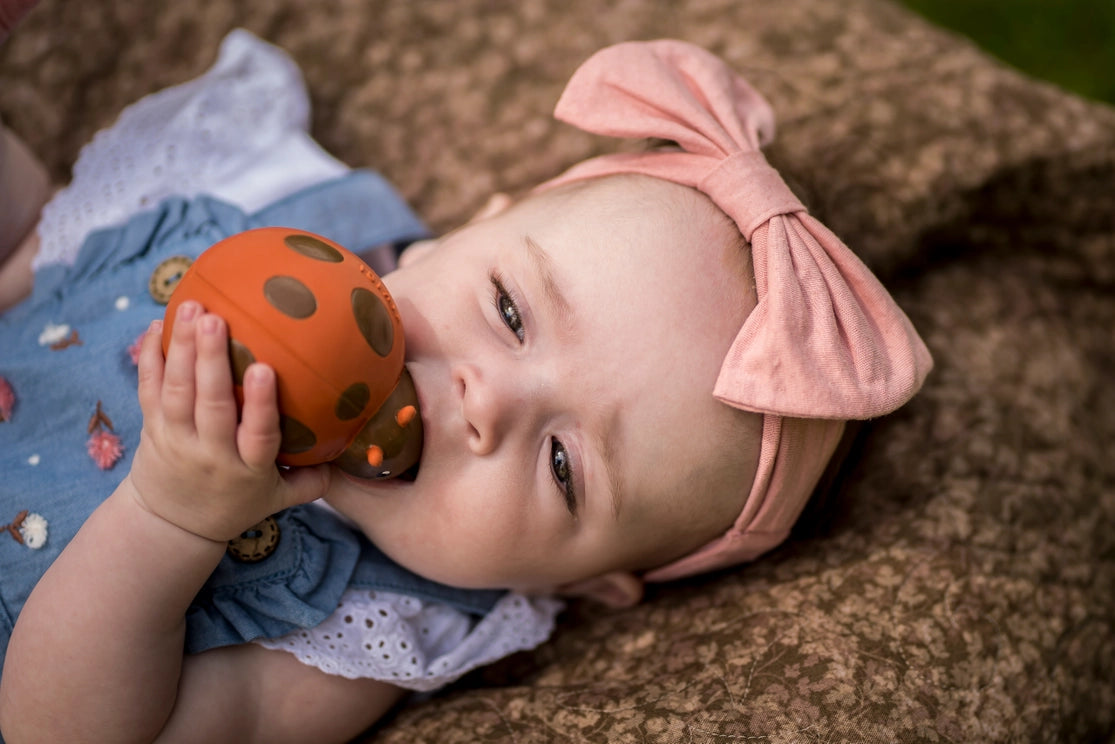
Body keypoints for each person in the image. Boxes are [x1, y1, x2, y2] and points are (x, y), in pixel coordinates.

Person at [0, 27, 931, 744]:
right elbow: (60, 246)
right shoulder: (290, 201)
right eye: (512, 312)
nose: (487, 401)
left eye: (564, 466)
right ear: (471, 227)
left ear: (586, 584)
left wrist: (171, 518)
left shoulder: (372, 629)